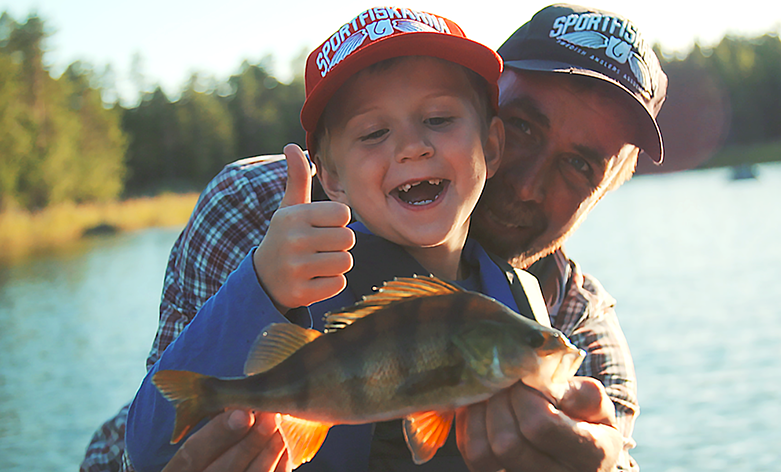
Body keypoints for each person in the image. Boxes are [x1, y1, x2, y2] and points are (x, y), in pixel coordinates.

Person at [81, 3, 667, 472]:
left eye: (580, 166)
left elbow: (617, 446)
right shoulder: (259, 211)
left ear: (609, 187)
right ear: (329, 174)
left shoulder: (572, 320)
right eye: (524, 126)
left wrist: (599, 462)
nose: (528, 182)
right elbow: (151, 430)